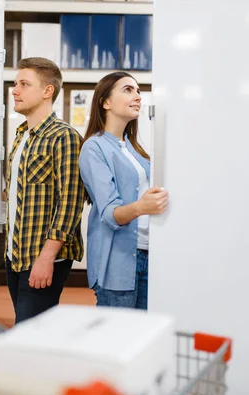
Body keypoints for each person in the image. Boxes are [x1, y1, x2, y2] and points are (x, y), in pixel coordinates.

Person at [0, 57, 85, 323]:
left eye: (24, 84)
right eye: (15, 84)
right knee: (27, 330)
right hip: (16, 255)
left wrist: (46, 258)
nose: (15, 90)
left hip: (43, 256)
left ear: (48, 91)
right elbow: (14, 194)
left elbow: (70, 202)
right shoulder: (22, 135)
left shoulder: (63, 136)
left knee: (31, 335)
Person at [78, 71, 169, 310]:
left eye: (138, 91)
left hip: (149, 255)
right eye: (128, 90)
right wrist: (141, 207)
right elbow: (109, 213)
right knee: (115, 341)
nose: (137, 96)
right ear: (105, 102)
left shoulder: (134, 148)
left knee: (141, 340)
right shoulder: (94, 147)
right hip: (117, 262)